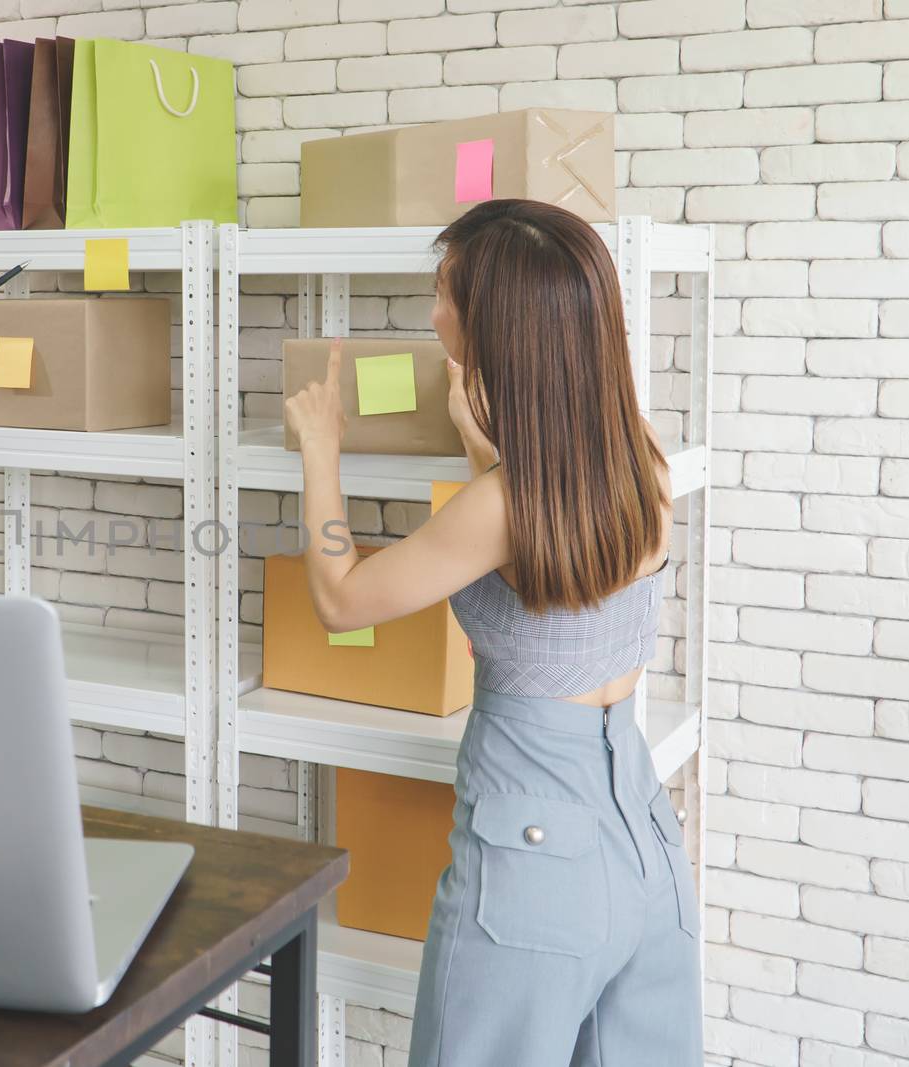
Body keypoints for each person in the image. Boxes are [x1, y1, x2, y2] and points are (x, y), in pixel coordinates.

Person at [284, 199, 699, 1066]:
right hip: (645, 841)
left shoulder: (503, 507)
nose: (433, 312)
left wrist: (320, 452)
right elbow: (548, 571)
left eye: (442, 292)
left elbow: (340, 597)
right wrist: (485, 448)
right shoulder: (642, 458)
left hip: (535, 862)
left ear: (497, 325)